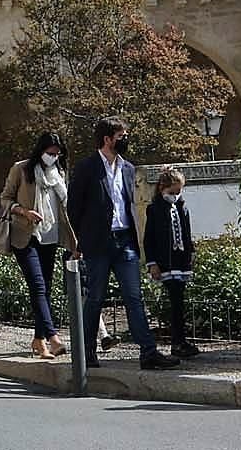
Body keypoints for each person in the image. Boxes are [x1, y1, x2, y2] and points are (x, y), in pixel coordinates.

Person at [66, 116, 178, 371]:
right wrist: (79, 240)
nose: (125, 140)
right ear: (107, 139)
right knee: (95, 297)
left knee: (134, 296)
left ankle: (148, 352)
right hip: (97, 243)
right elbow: (74, 208)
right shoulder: (86, 168)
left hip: (124, 240)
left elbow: (131, 203)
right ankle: (87, 352)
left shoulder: (128, 168)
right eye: (121, 136)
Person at [0, 132, 78, 358]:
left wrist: (74, 238)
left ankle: (38, 339)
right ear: (40, 151)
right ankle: (52, 337)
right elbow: (4, 199)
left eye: (57, 154)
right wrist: (24, 211)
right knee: (38, 286)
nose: (53, 157)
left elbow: (64, 206)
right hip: (26, 235)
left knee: (45, 289)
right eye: (50, 153)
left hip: (51, 236)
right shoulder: (21, 169)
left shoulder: (59, 172)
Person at [144, 167, 200, 360]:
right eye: (172, 192)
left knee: (179, 301)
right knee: (175, 301)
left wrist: (190, 253)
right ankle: (178, 341)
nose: (175, 196)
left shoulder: (182, 208)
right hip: (165, 262)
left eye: (178, 192)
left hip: (180, 260)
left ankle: (180, 340)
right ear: (162, 188)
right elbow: (149, 239)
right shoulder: (154, 209)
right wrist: (152, 263)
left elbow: (186, 233)